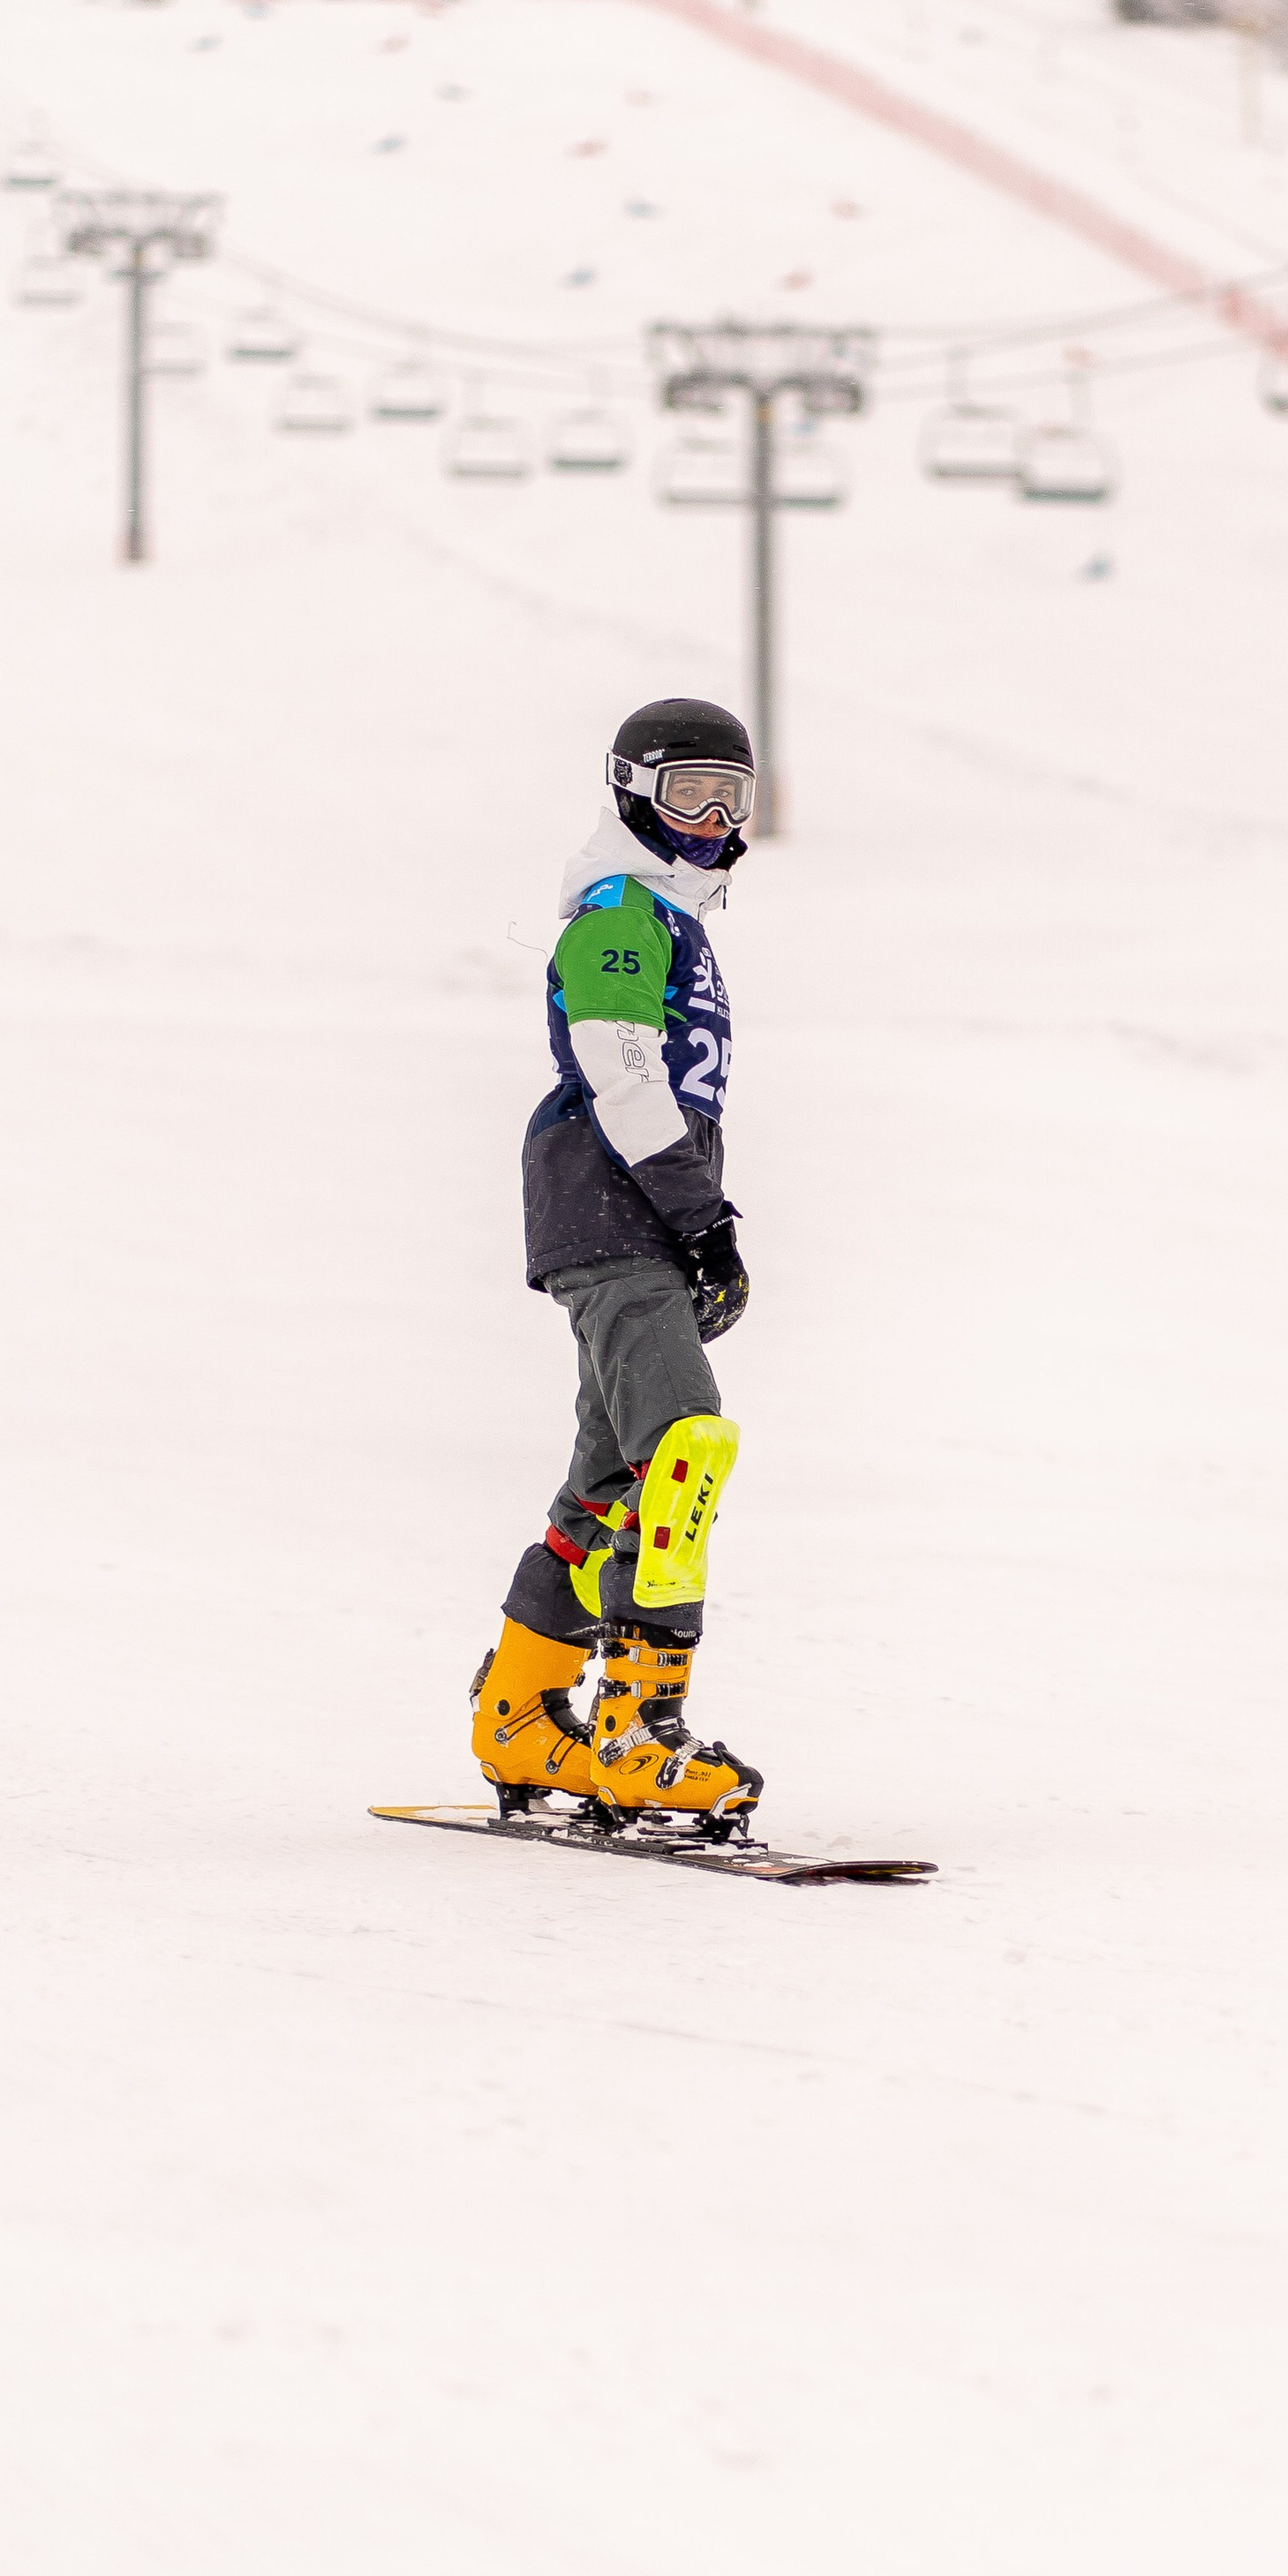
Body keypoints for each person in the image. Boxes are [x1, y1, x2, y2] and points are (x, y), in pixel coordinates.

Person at [468, 699, 763, 1829]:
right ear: (633, 788)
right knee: (683, 1448)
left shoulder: (665, 912)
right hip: (618, 1202)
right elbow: (621, 1069)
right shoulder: (619, 910)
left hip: (623, 1211)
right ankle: (640, 1730)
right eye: (688, 790)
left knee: (608, 1484)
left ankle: (523, 1711)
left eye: (731, 797)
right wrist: (700, 1220)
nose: (710, 818)